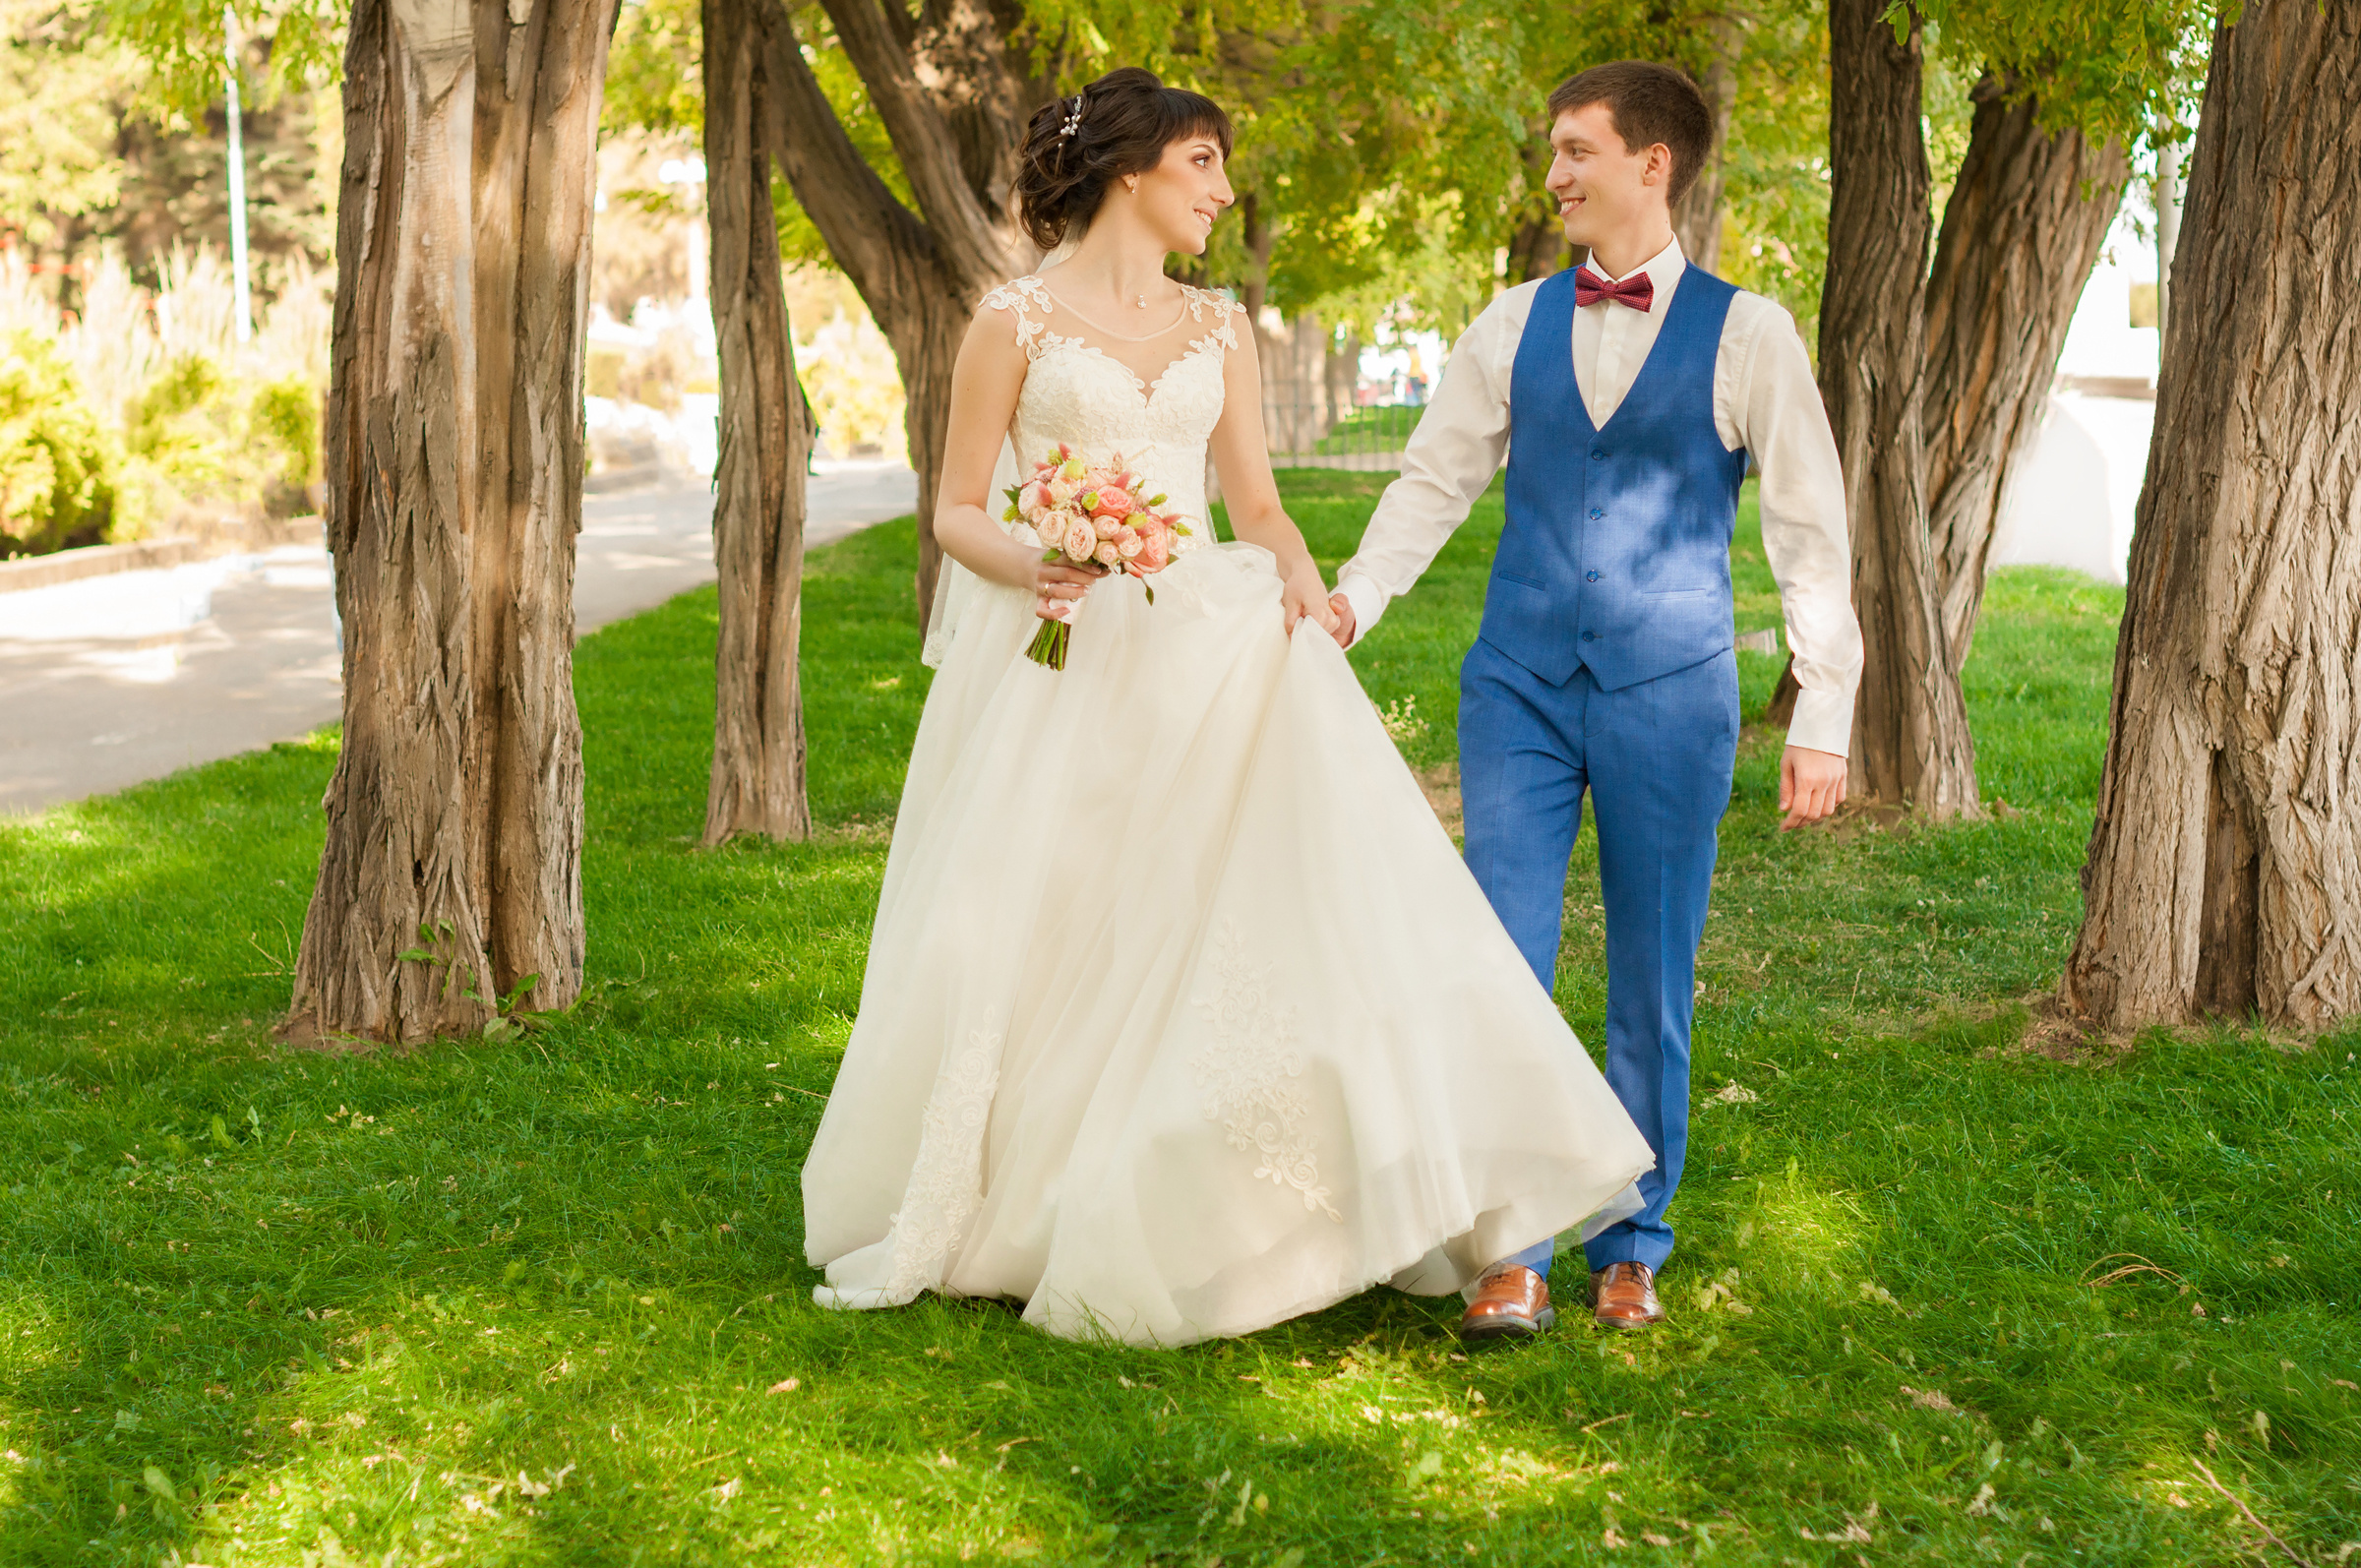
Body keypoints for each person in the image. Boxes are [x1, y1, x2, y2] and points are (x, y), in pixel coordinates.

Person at [798, 67, 1654, 1347]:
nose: (1221, 192)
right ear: (1134, 168)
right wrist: (1039, 558)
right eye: (1204, 164)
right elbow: (956, 505)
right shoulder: (1011, 324)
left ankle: (1262, 1192)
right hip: (1071, 652)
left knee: (1232, 909)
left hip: (1208, 636)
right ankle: (1036, 1193)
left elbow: (1251, 503)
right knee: (1071, 917)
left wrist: (1311, 593)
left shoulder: (1219, 331)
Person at [1329, 61, 1862, 1336]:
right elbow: (1430, 485)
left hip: (1671, 693)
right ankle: (1509, 1246)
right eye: (1554, 150)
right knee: (1499, 963)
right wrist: (1353, 602)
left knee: (1650, 975)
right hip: (1514, 685)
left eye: (1578, 150)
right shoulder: (1508, 326)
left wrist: (1825, 713)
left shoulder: (1751, 335)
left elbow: (1809, 531)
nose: (1556, 173)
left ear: (1651, 164)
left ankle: (1633, 1236)